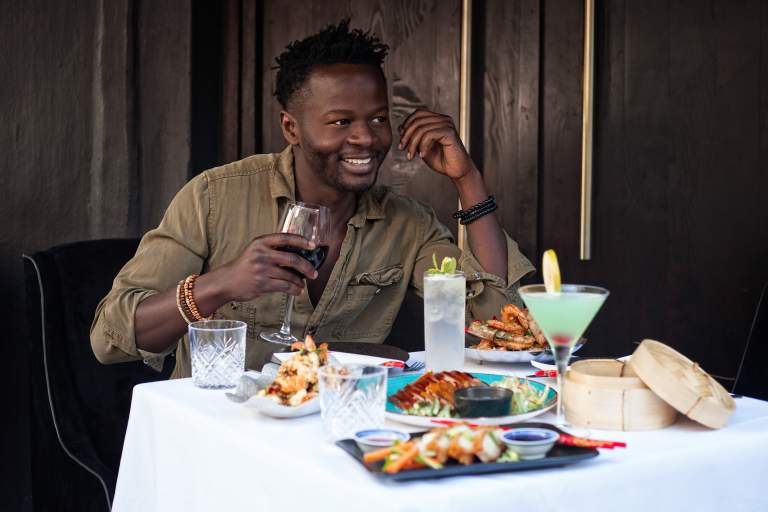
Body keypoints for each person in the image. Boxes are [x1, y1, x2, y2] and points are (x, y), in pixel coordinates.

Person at [90, 20, 534, 378]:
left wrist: (467, 179)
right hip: (223, 434)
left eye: (378, 119)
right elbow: (111, 338)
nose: (365, 138)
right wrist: (220, 284)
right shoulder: (214, 198)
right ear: (291, 128)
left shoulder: (407, 224)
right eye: (341, 122)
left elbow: (496, 323)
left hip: (339, 432)